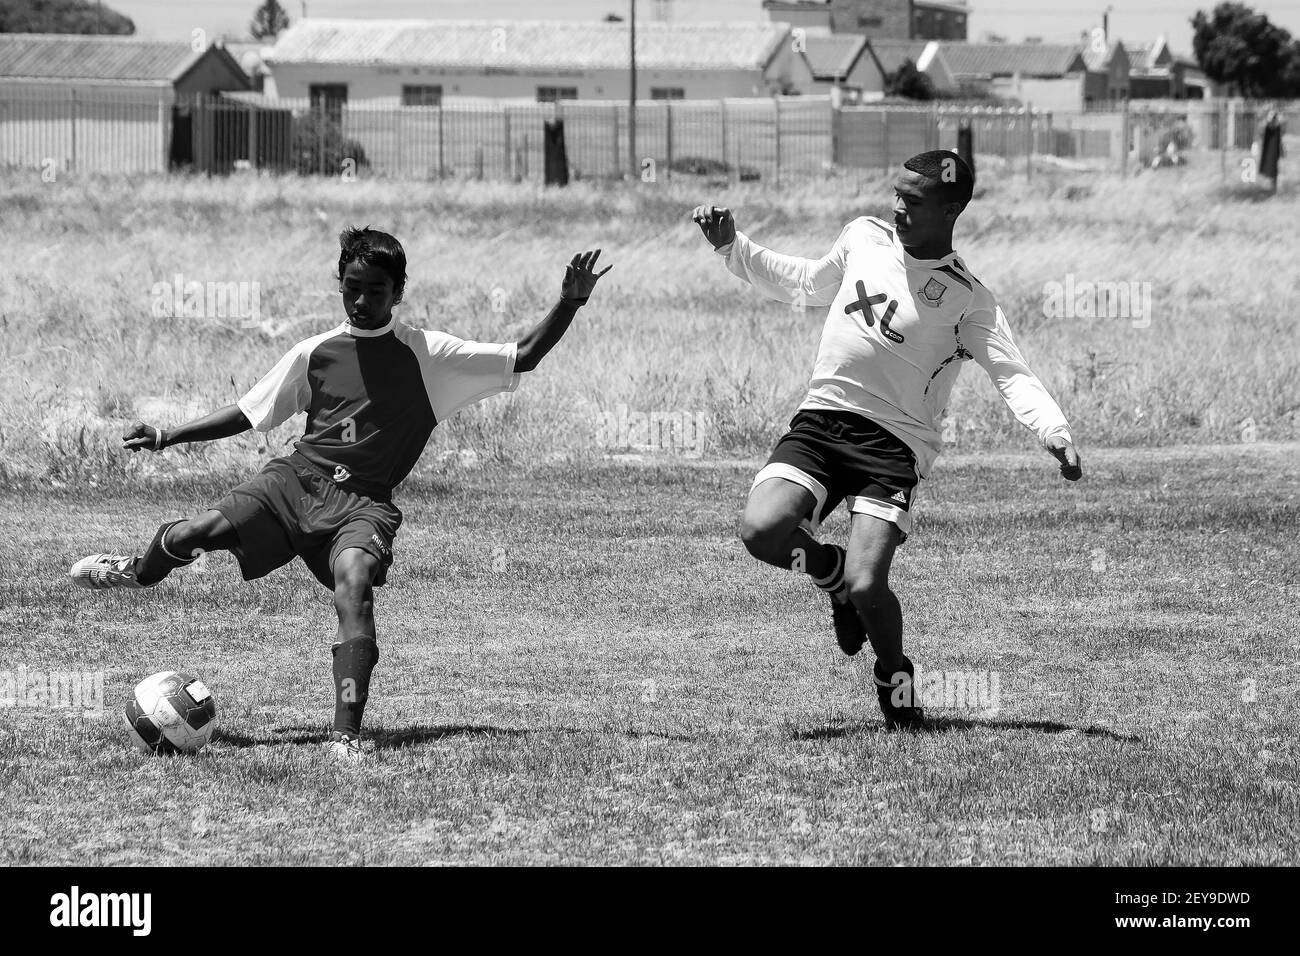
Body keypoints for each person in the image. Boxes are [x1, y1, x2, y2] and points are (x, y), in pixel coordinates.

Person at [70, 228, 611, 761]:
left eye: (375, 291)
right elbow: (248, 412)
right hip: (295, 482)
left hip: (364, 504)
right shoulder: (315, 351)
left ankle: (345, 734)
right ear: (340, 285)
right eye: (351, 287)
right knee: (196, 533)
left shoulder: (430, 354)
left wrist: (568, 303)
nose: (360, 300)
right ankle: (137, 571)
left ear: (398, 293)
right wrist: (169, 435)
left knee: (354, 587)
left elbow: (527, 354)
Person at [692, 150, 1081, 729]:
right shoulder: (864, 237)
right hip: (823, 418)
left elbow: (1012, 372)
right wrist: (734, 247)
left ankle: (893, 676)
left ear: (951, 211)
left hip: (892, 446)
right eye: (896, 193)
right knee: (761, 530)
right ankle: (830, 576)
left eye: (915, 200)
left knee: (870, 584)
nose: (898, 206)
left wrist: (1054, 431)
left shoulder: (968, 298)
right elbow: (806, 281)